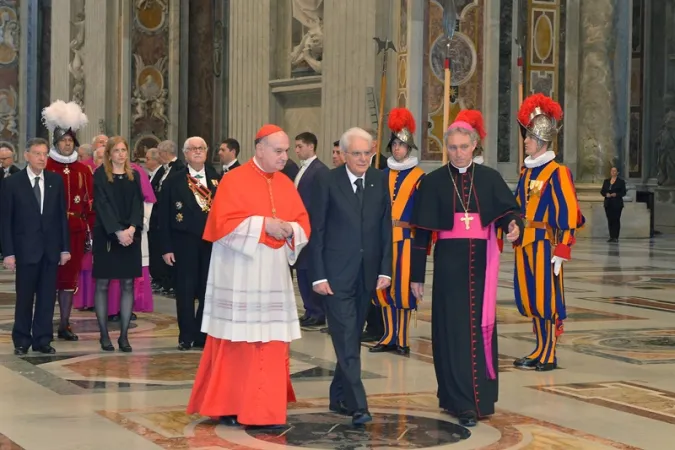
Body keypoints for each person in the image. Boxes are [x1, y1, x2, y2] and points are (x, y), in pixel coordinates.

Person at [187, 124, 310, 428]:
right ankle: (230, 404)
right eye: (278, 151)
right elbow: (222, 225)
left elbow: (302, 223)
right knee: (237, 340)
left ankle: (266, 408)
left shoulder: (285, 183)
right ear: (260, 149)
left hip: (273, 274)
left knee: (271, 341)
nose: (284, 157)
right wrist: (262, 224)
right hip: (239, 274)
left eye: (286, 151)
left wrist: (290, 230)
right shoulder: (233, 180)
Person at [409, 117, 523, 427]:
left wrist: (513, 226)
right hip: (449, 269)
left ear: (474, 145)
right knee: (453, 333)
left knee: (478, 330)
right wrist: (416, 276)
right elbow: (421, 236)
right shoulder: (433, 182)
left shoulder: (489, 178)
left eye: (463, 147)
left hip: (481, 268)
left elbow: (507, 212)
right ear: (445, 148)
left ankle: (480, 400)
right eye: (452, 147)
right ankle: (459, 401)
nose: (458, 153)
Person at [310, 127, 392, 426]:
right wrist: (317, 275)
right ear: (343, 155)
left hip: (367, 275)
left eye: (367, 153)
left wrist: (385, 269)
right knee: (345, 336)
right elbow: (316, 230)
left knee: (352, 337)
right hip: (335, 276)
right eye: (356, 153)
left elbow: (385, 228)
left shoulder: (379, 180)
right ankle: (358, 403)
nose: (362, 159)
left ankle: (338, 395)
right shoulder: (327, 181)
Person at [512, 93, 585, 372]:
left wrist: (563, 249)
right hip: (526, 243)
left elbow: (568, 214)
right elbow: (519, 206)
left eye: (529, 137)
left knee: (547, 299)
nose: (525, 141)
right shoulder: (526, 172)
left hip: (546, 244)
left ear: (541, 141)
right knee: (532, 298)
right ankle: (540, 348)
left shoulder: (557, 172)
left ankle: (550, 352)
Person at [1, 138, 71, 355]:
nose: (42, 158)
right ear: (26, 155)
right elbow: (6, 221)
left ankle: (42, 339)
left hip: (50, 250)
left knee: (47, 297)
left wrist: (64, 248)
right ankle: (21, 339)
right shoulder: (13, 183)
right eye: (38, 154)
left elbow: (61, 217)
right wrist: (8, 253)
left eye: (45, 154)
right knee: (24, 297)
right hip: (25, 250)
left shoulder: (55, 181)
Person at [371, 108, 424, 356]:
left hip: (406, 239)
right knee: (384, 288)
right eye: (394, 144)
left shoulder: (419, 177)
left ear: (409, 148)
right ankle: (388, 334)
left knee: (402, 290)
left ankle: (402, 337)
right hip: (383, 238)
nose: (397, 149)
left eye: (402, 145)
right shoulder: (382, 175)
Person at [159, 137, 220, 350]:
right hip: (183, 242)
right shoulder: (174, 180)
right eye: (192, 149)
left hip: (211, 242)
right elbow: (163, 216)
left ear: (207, 151)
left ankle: (202, 334)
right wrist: (166, 247)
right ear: (185, 154)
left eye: (201, 148)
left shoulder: (216, 178)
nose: (197, 152)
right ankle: (186, 335)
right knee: (185, 291)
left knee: (207, 289)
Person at [42, 100, 94, 342]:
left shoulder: (83, 170)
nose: (66, 144)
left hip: (75, 232)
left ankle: (65, 323)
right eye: (63, 140)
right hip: (48, 233)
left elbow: (90, 204)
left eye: (70, 141)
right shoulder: (46, 166)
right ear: (55, 142)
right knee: (47, 279)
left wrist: (90, 232)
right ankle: (43, 324)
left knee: (69, 280)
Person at [91, 137, 144, 352]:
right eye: (117, 151)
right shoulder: (101, 175)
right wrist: (117, 232)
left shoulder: (135, 176)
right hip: (107, 235)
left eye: (124, 150)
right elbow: (102, 205)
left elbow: (137, 204)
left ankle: (124, 336)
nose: (121, 154)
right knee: (103, 284)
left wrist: (132, 228)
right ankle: (104, 335)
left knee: (128, 284)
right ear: (109, 154)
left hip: (130, 235)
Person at [107, 161, 157, 319]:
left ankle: (125, 309)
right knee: (110, 273)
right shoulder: (104, 173)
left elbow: (146, 200)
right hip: (112, 230)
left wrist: (137, 225)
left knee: (128, 276)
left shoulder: (136, 172)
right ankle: (112, 309)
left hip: (133, 230)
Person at [293, 132, 330, 328]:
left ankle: (318, 311)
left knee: (311, 269)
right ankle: (309, 309)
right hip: (300, 227)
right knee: (302, 270)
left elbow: (320, 202)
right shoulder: (303, 169)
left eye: (300, 146)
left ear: (311, 147)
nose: (296, 150)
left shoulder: (320, 170)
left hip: (312, 227)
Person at [601, 167, 626, 243]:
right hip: (608, 203)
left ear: (617, 172)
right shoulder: (606, 181)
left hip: (617, 203)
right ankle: (611, 236)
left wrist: (616, 194)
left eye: (614, 171)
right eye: (612, 171)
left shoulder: (621, 182)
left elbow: (623, 192)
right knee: (610, 220)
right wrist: (606, 194)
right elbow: (602, 191)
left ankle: (616, 237)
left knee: (616, 219)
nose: (613, 172)